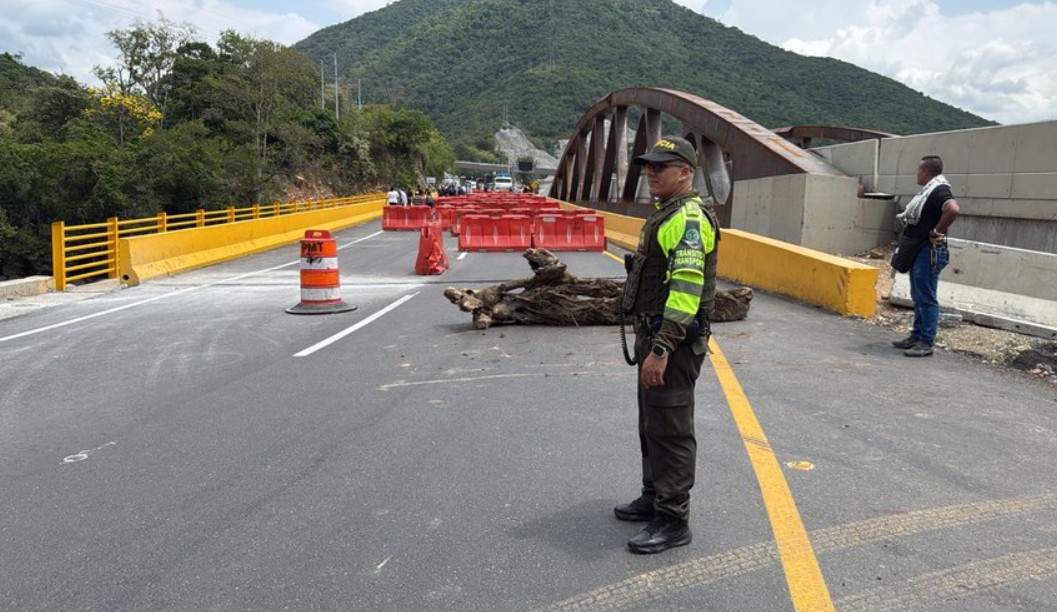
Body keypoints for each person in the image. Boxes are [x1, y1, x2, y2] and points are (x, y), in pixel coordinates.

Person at [617, 135, 718, 554]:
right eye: (648, 166)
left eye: (661, 166)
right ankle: (654, 496)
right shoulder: (666, 213)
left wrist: (661, 349)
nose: (651, 172)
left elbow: (686, 291)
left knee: (671, 430)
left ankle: (673, 519)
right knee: (651, 424)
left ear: (685, 173)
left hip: (671, 343)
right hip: (654, 335)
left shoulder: (688, 218)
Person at [892, 155, 960, 357]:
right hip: (919, 249)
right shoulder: (929, 190)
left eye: (918, 170)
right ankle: (916, 336)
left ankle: (926, 341)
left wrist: (936, 231)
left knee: (926, 297)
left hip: (928, 251)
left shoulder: (939, 190)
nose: (917, 174)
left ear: (926, 172)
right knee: (918, 295)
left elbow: (953, 209)